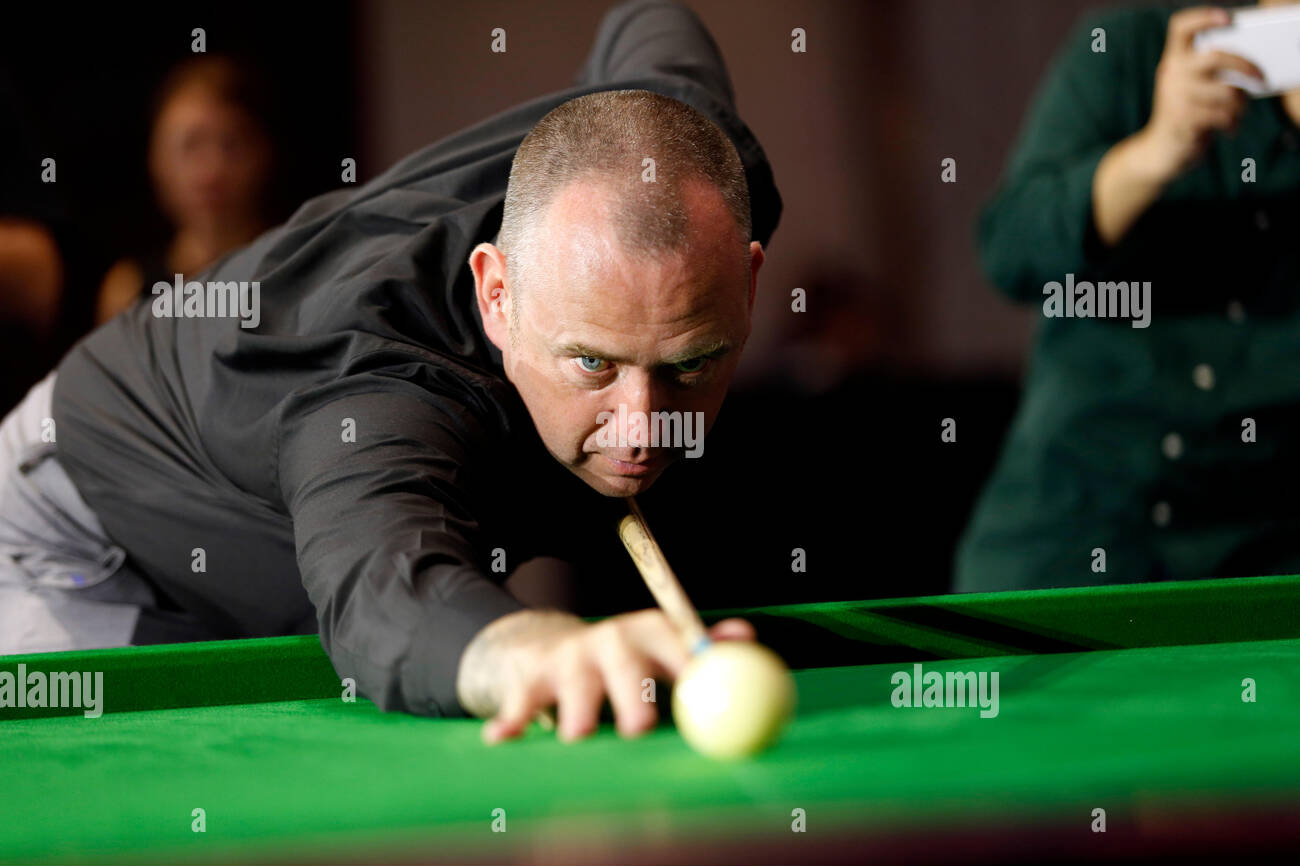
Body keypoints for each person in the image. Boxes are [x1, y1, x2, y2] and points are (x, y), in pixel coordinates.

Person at [0, 0, 782, 745]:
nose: (643, 425)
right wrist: (529, 650)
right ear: (497, 295)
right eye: (591, 363)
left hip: (260, 522)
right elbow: (382, 591)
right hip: (70, 538)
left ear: (746, 282)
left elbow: (653, 18)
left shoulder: (696, 148)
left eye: (690, 363)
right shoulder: (383, 381)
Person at [956, 2, 1300, 591]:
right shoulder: (1133, 43)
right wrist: (1156, 150)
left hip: (1269, 556)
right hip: (1077, 535)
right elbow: (1007, 249)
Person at [95, 55, 275, 325]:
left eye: (231, 144)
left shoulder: (295, 266)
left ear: (263, 153)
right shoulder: (128, 290)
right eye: (191, 145)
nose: (212, 171)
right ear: (157, 161)